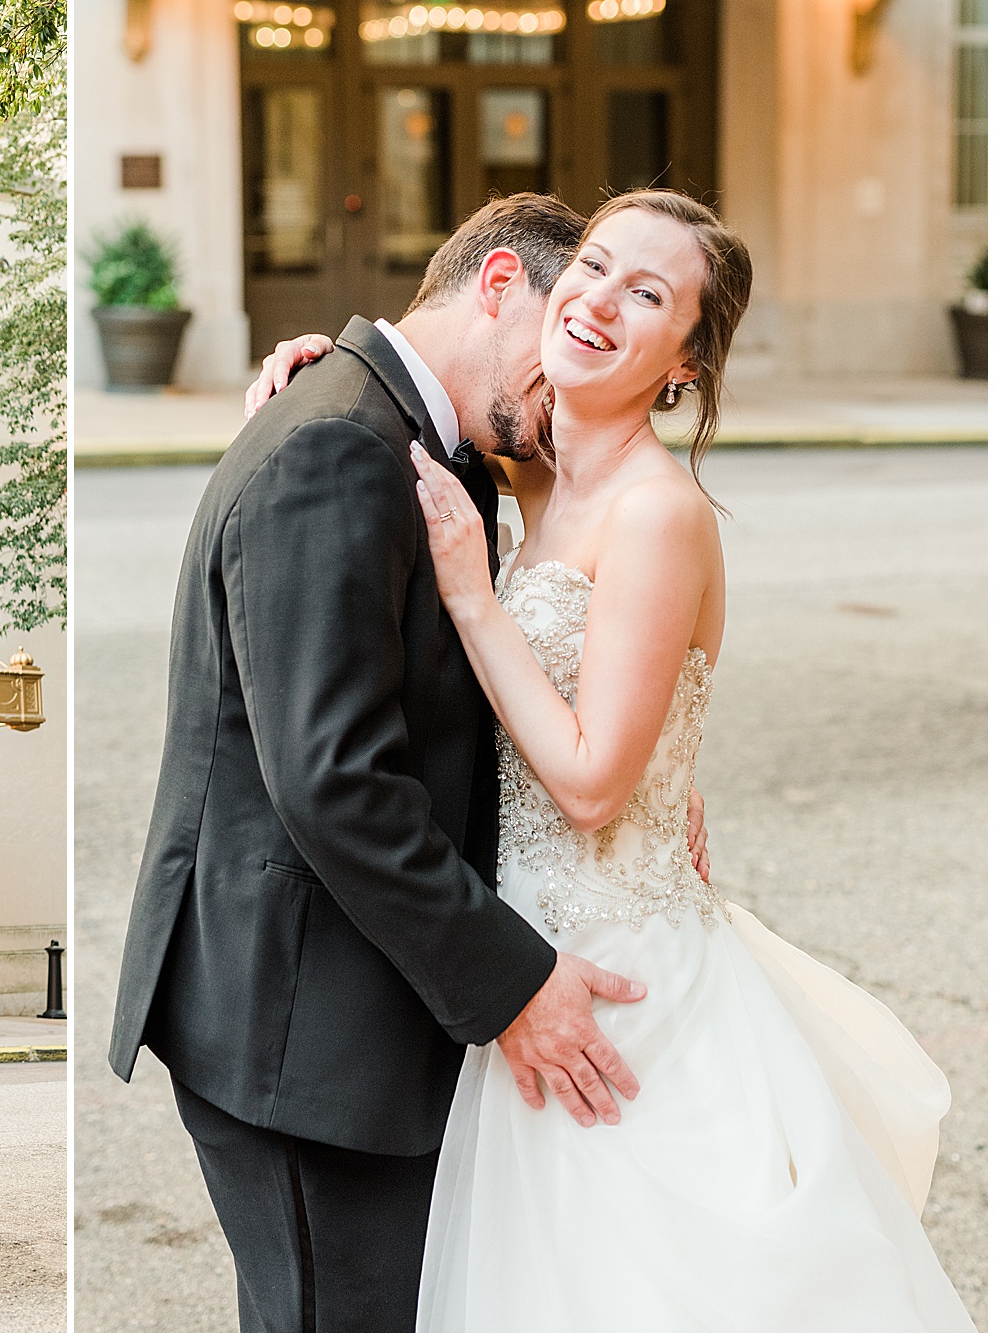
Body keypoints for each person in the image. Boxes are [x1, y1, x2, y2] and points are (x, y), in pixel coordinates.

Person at [253, 189, 971, 1329]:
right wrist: (324, 363)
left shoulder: (659, 513)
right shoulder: (534, 475)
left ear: (682, 364)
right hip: (524, 953)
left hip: (619, 981)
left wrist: (473, 596)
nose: (595, 300)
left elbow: (590, 786)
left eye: (646, 294)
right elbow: (418, 401)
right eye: (591, 266)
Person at [109, 194, 677, 1333]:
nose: (564, 379)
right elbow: (334, 781)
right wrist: (511, 985)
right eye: (565, 319)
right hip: (298, 1034)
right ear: (501, 282)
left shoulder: (419, 435)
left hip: (355, 1016)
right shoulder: (336, 442)